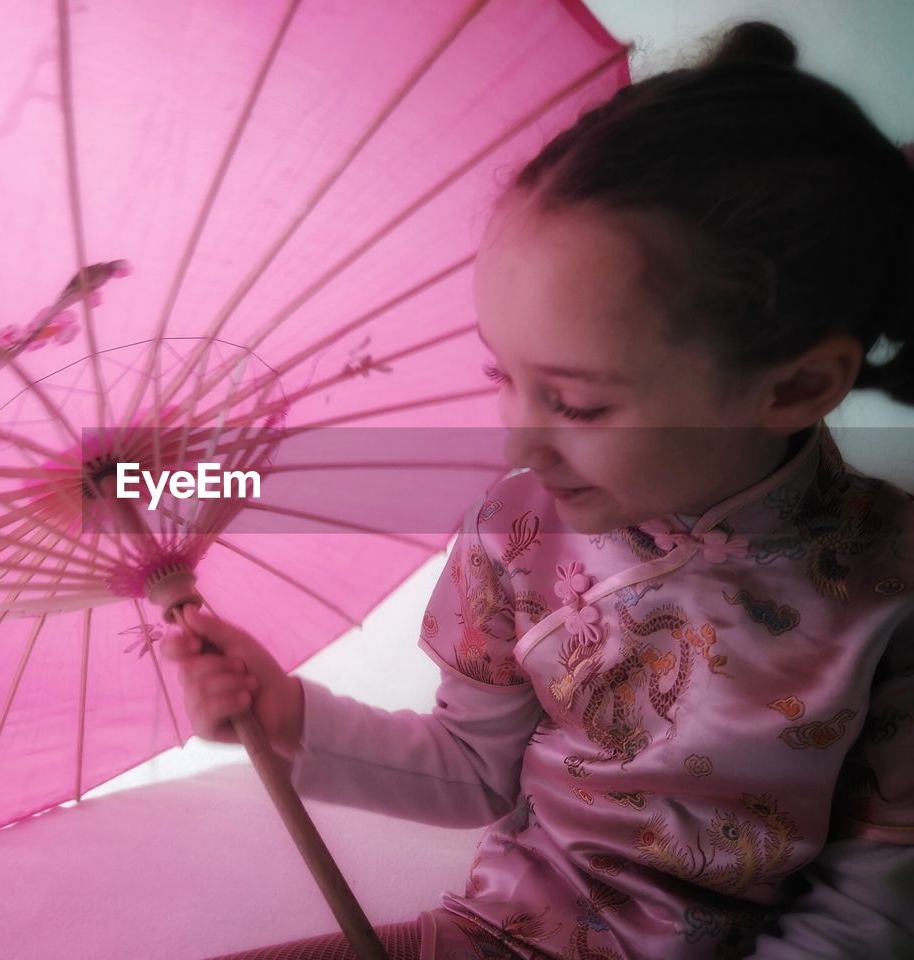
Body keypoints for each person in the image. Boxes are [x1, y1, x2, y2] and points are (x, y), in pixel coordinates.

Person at [163, 20, 914, 960]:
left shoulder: (891, 589)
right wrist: (285, 718)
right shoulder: (519, 532)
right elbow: (476, 770)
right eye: (502, 378)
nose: (519, 438)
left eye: (576, 403)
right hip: (502, 937)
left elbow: (868, 911)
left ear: (796, 388)